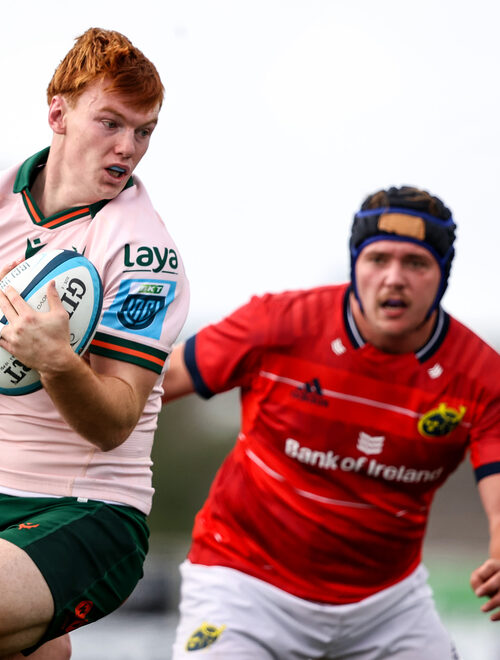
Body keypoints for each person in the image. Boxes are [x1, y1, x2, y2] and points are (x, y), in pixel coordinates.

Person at [162, 185, 500, 660]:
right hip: (245, 586)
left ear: (442, 275)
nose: (394, 278)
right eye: (378, 259)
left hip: (387, 606)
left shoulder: (481, 377)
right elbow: (143, 389)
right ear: (355, 265)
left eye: (416, 263)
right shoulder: (278, 323)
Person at [0, 27, 189, 659]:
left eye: (144, 131)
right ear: (58, 112)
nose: (127, 147)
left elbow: (113, 423)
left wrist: (56, 361)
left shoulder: (143, 252)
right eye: (110, 122)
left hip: (85, 508)